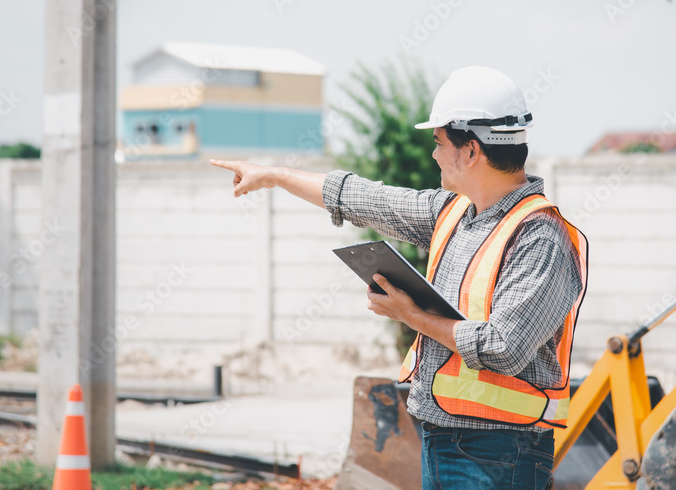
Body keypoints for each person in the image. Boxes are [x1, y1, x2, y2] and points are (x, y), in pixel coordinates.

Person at [211, 66, 587, 490]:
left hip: (499, 452)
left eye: (439, 143)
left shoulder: (542, 237)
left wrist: (413, 316)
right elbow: (363, 198)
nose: (433, 155)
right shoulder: (454, 215)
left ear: (470, 151)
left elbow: (503, 347)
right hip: (443, 436)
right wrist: (275, 175)